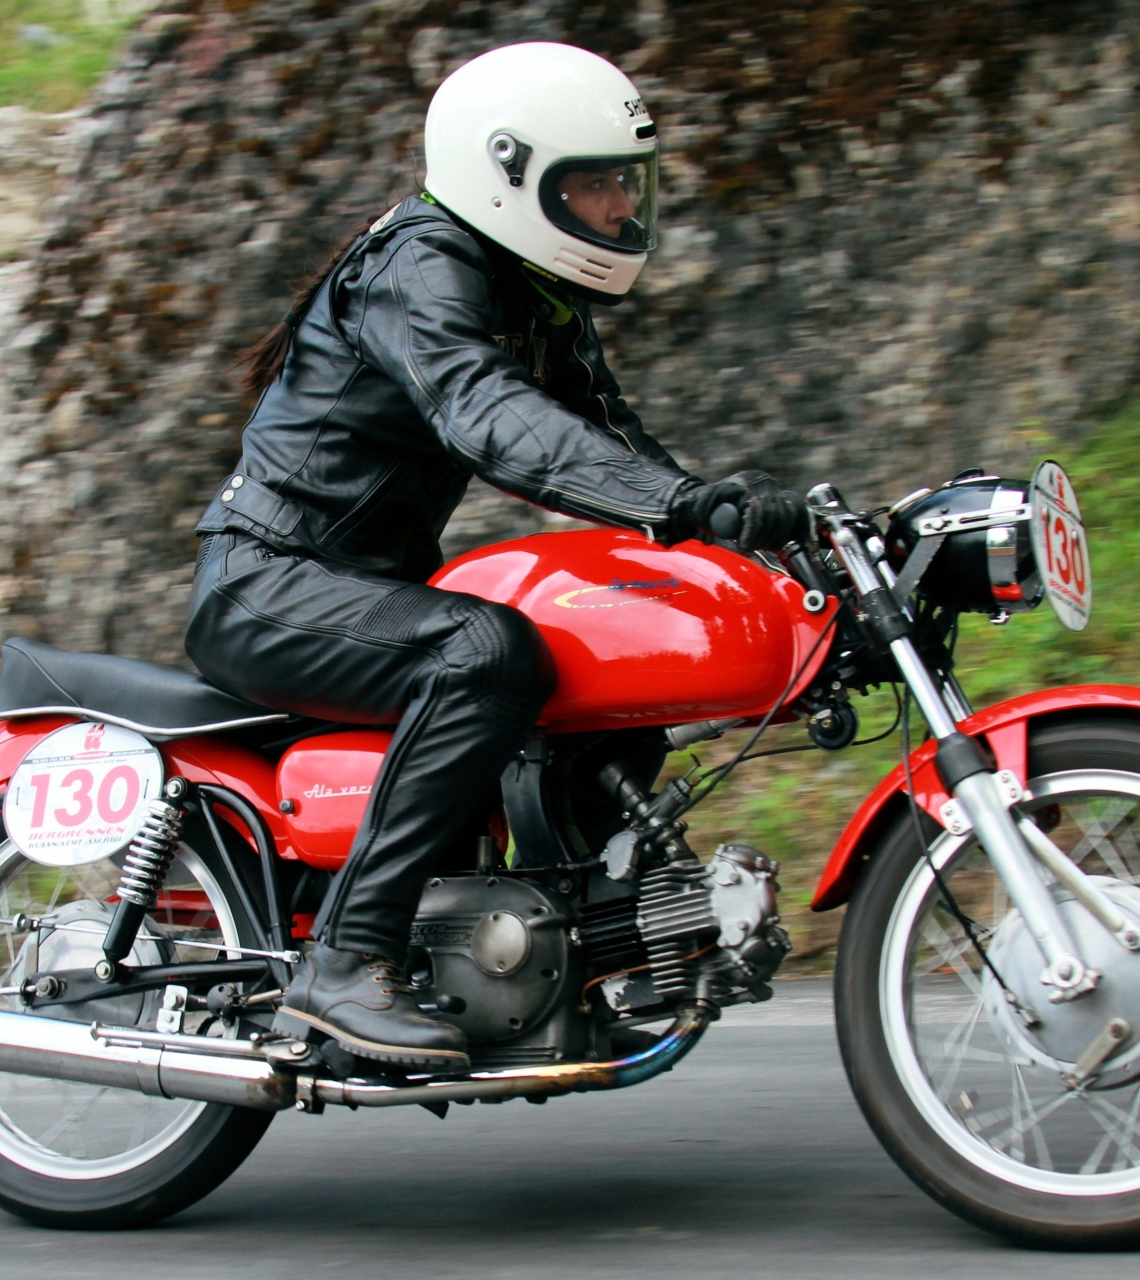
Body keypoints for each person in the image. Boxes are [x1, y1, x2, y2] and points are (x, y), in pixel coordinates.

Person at [185, 42, 808, 1071]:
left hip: (361, 590)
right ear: (507, 172)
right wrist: (678, 504)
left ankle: (587, 943)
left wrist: (747, 530)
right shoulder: (420, 264)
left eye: (626, 182)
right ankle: (343, 961)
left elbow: (609, 444)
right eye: (594, 183)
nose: (620, 207)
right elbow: (484, 412)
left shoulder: (532, 290)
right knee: (488, 651)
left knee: (599, 655)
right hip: (268, 582)